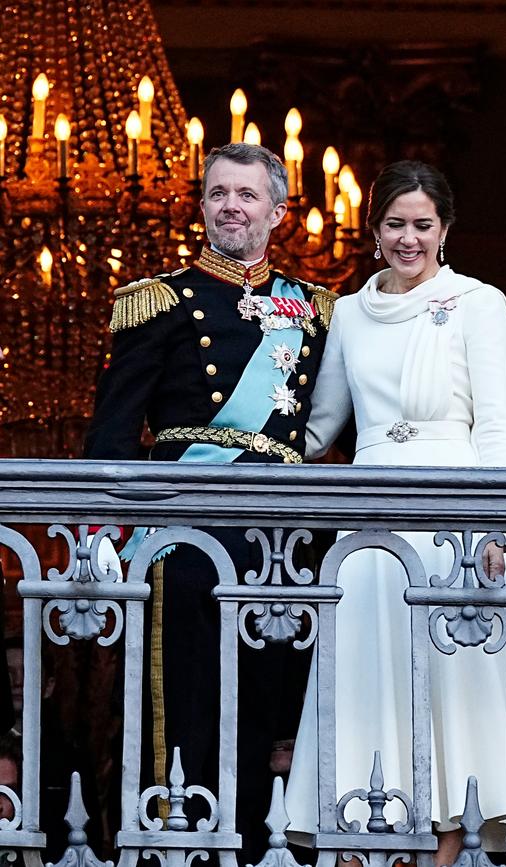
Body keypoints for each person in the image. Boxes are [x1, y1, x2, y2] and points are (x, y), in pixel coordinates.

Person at [285, 160, 506, 865]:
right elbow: (322, 427)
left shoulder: (479, 300)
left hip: (455, 504)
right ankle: (365, 839)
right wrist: (237, 444)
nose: (409, 239)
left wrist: (496, 524)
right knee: (369, 673)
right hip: (372, 509)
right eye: (395, 225)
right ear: (373, 230)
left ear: (445, 230)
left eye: (423, 225)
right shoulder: (346, 311)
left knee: (452, 680)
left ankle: (445, 846)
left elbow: (497, 421)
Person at [84, 142, 337, 863]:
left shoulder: (314, 308)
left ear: (278, 211)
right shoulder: (159, 297)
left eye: (247, 195)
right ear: (202, 206)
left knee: (271, 700)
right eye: (218, 193)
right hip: (181, 526)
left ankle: (264, 843)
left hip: (279, 534)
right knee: (182, 694)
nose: (231, 206)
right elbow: (112, 426)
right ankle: (176, 839)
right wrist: (104, 526)